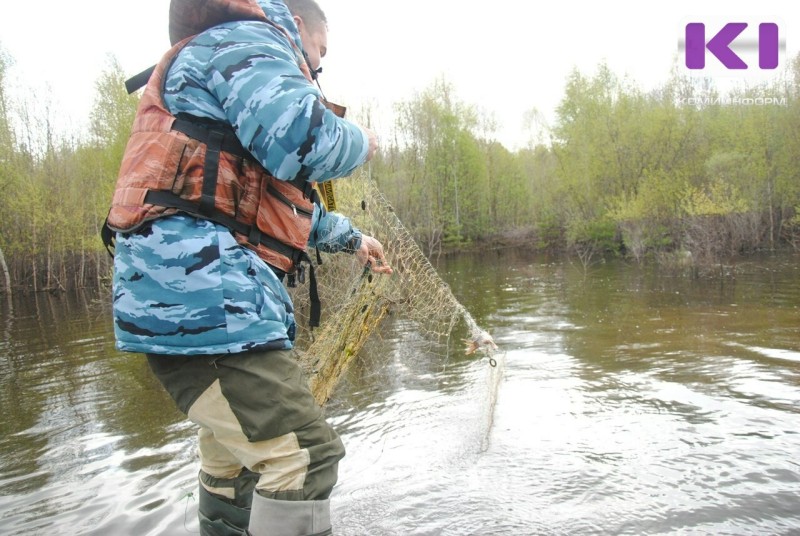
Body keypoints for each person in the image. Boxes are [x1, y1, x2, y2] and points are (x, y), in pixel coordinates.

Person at [103, 0, 392, 534]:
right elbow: (305, 142)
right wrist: (366, 142)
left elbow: (270, 200)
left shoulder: (233, 58)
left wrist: (355, 239)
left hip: (203, 302)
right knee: (305, 459)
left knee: (232, 463)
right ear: (299, 25)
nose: (319, 65)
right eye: (320, 52)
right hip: (205, 302)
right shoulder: (249, 42)